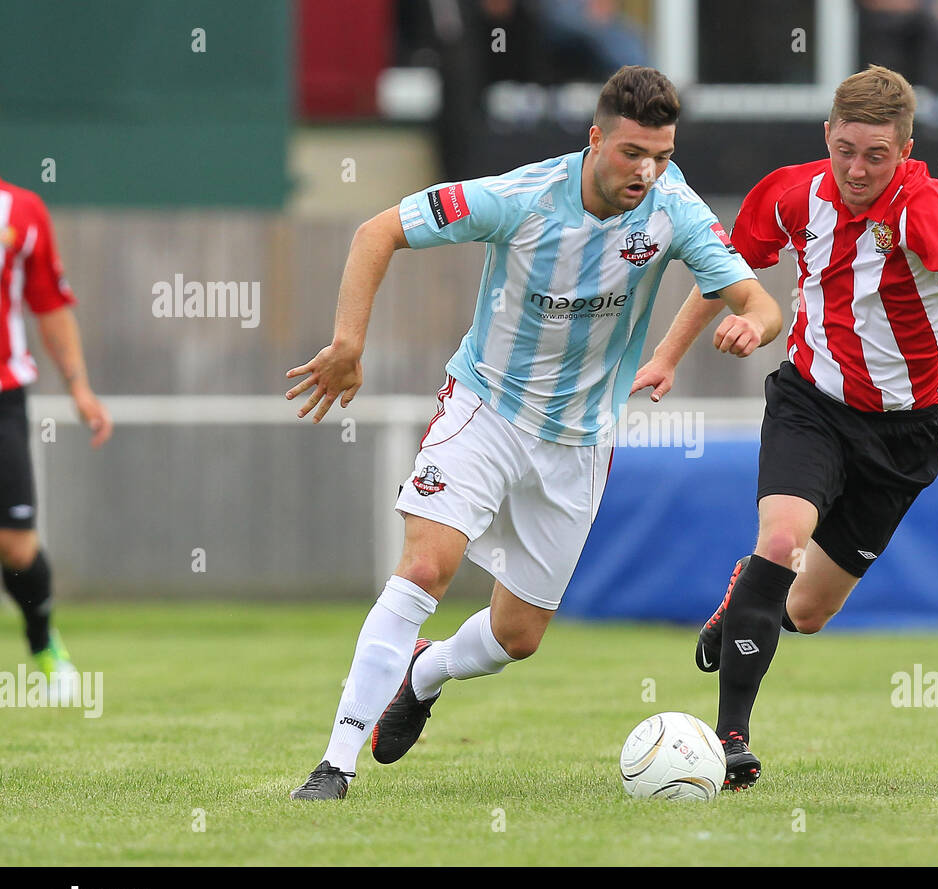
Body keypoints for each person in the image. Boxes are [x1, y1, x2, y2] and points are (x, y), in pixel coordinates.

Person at [285, 65, 782, 800]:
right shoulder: (519, 198)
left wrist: (753, 323)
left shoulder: (673, 210)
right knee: (425, 569)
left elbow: (759, 299)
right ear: (595, 139)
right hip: (483, 410)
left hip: (579, 443)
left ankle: (424, 674)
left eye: (662, 156)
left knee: (517, 637)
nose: (647, 172)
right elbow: (376, 231)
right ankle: (335, 764)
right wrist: (349, 344)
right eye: (632, 154)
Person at [634, 65, 938, 789]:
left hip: (904, 436)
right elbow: (728, 270)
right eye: (845, 148)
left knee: (806, 611)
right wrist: (665, 355)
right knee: (780, 540)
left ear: (905, 152)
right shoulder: (792, 191)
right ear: (827, 136)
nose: (857, 168)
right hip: (810, 402)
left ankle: (741, 598)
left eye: (877, 155)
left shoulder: (925, 208)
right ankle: (730, 741)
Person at [0, 175, 113, 699]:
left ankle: (43, 643)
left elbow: (48, 303)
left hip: (4, 395)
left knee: (16, 545)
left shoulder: (21, 210)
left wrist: (80, 388)